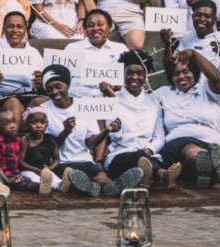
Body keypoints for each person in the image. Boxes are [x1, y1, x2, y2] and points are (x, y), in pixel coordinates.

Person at [30, 65, 145, 198]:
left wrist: (107, 130)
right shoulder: (43, 111)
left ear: (67, 85)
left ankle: (110, 185)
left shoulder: (83, 105)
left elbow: (90, 144)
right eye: (49, 89)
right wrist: (65, 132)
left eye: (58, 86)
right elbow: (48, 149)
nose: (54, 92)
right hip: (60, 163)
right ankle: (90, 187)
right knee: (70, 179)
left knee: (102, 177)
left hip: (84, 160)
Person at [99, 51, 181, 188]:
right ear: (122, 75)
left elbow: (159, 136)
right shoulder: (113, 99)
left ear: (146, 75)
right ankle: (162, 174)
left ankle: (145, 176)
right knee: (138, 157)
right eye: (129, 73)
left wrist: (150, 149)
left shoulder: (154, 103)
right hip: (120, 156)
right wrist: (112, 99)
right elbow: (115, 136)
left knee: (145, 159)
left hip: (149, 156)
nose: (134, 77)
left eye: (140, 73)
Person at [158, 51, 220, 189]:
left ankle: (204, 171)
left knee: (201, 155)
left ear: (194, 71)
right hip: (177, 147)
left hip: (213, 143)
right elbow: (141, 102)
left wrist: (195, 54)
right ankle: (209, 165)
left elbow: (216, 77)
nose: (181, 76)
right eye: (176, 74)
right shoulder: (163, 93)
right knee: (188, 148)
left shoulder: (207, 88)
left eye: (186, 71)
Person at [161, 0, 220, 117]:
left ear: (214, 19)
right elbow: (170, 69)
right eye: (198, 15)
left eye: (207, 16)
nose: (202, 19)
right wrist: (167, 45)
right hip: (189, 94)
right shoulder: (186, 39)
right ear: (192, 17)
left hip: (218, 98)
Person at [0, 11, 42, 118]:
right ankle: (12, 136)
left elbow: (43, 86)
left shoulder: (33, 52)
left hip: (28, 95)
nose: (15, 30)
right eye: (10, 26)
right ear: (4, 28)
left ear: (25, 29)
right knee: (14, 103)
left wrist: (40, 83)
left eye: (19, 26)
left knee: (42, 102)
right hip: (0, 96)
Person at [65, 9, 129, 97]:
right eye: (90, 25)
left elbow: (128, 76)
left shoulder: (121, 49)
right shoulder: (73, 49)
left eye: (100, 24)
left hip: (113, 99)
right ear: (85, 29)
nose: (95, 28)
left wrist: (120, 84)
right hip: (80, 99)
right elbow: (63, 79)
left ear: (109, 27)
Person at [0, 108, 49, 195]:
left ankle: (41, 186)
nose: (13, 126)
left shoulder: (17, 139)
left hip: (14, 173)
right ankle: (0, 187)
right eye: (6, 124)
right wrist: (8, 181)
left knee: (26, 181)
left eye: (14, 121)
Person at [18, 108, 62, 192]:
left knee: (56, 180)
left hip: (45, 171)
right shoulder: (25, 140)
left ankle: (63, 185)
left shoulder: (50, 139)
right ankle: (42, 186)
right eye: (34, 122)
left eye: (42, 122)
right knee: (36, 179)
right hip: (29, 170)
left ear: (47, 124)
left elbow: (56, 159)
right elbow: (21, 161)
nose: (39, 126)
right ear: (27, 123)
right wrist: (36, 170)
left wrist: (49, 169)